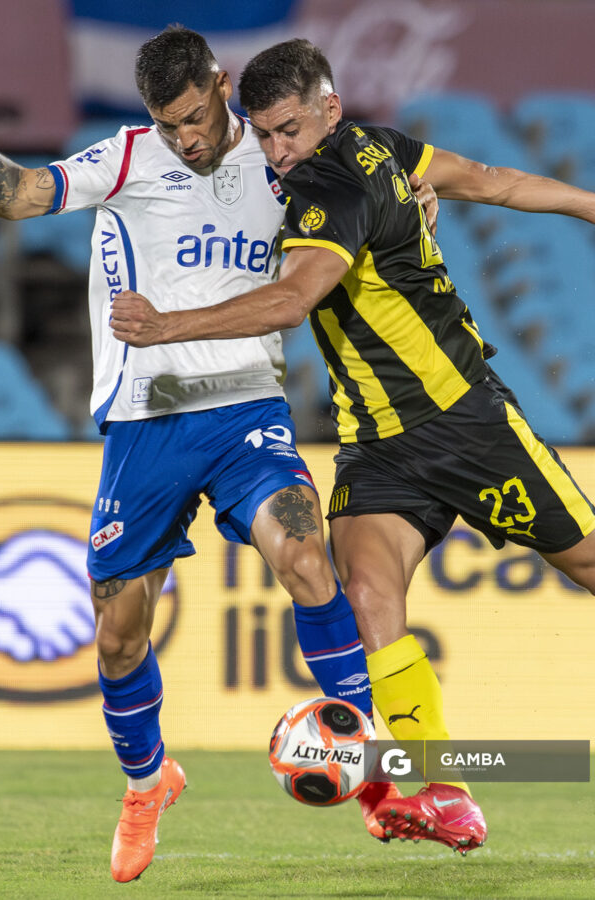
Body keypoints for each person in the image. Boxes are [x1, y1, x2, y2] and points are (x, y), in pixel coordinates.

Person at [111, 38, 595, 856]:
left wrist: (165, 327)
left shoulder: (333, 184)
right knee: (369, 597)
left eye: (290, 130)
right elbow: (489, 181)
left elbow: (293, 300)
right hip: (375, 440)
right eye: (265, 133)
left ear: (328, 109)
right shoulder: (376, 149)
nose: (278, 150)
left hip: (463, 420)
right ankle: (446, 790)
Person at [0, 27, 440, 882]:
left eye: (195, 117)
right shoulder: (127, 157)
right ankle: (146, 783)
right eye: (169, 125)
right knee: (118, 635)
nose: (186, 138)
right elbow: (19, 195)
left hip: (247, 412)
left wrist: (414, 200)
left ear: (221, 84)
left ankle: (376, 774)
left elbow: (372, 192)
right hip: (145, 421)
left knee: (305, 553)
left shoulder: (282, 161)